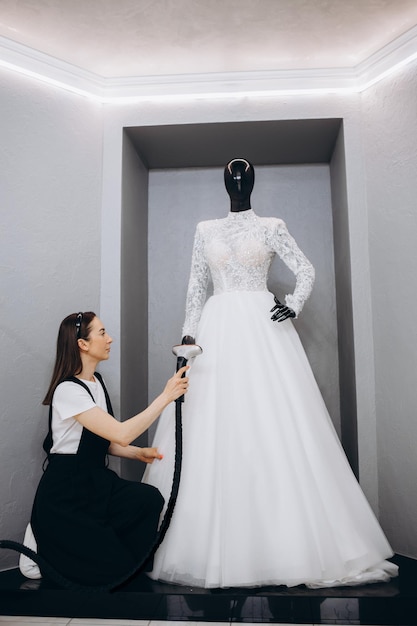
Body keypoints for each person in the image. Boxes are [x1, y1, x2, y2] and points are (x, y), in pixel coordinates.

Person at [142, 158, 398, 589]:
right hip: (217, 327)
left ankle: (289, 542)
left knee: (275, 420)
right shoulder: (206, 229)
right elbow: (195, 285)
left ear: (253, 182)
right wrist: (188, 336)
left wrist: (293, 304)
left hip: (263, 325)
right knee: (213, 423)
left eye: (244, 175)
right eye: (232, 175)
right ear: (224, 183)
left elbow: (306, 269)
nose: (238, 180)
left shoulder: (272, 225)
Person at [17, 311, 189, 589]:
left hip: (96, 482)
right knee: (111, 570)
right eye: (102, 333)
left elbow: (102, 441)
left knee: (147, 500)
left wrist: (137, 452)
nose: (109, 339)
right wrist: (166, 396)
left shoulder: (96, 383)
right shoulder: (67, 390)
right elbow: (121, 432)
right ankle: (44, 546)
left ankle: (118, 560)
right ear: (83, 344)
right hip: (66, 493)